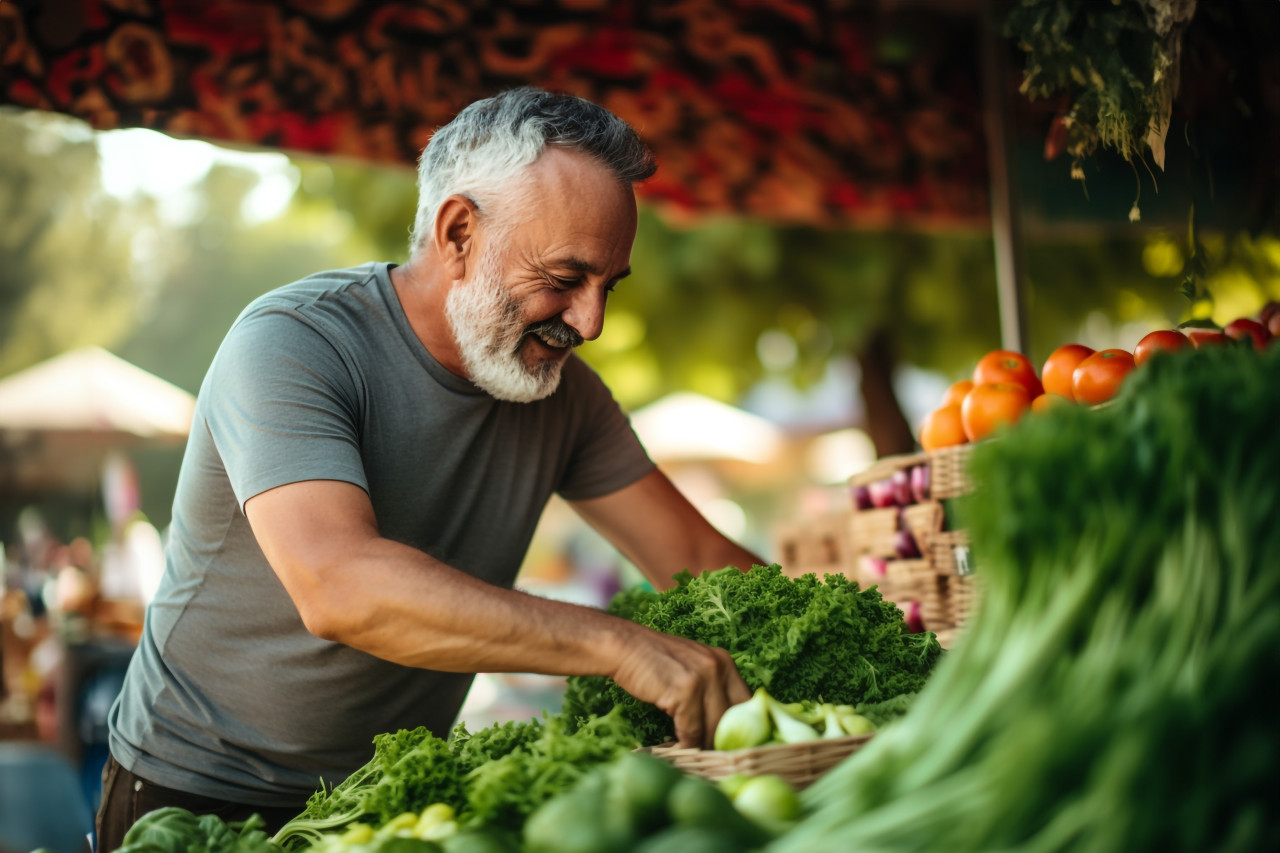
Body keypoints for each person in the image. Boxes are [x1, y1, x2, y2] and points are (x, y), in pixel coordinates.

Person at [96, 87, 765, 850]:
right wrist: (618, 643)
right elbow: (341, 586)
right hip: (196, 798)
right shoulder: (292, 343)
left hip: (391, 801)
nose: (592, 322)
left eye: (608, 286)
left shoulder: (565, 395)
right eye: (565, 277)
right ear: (458, 232)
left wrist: (900, 664)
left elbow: (705, 563)